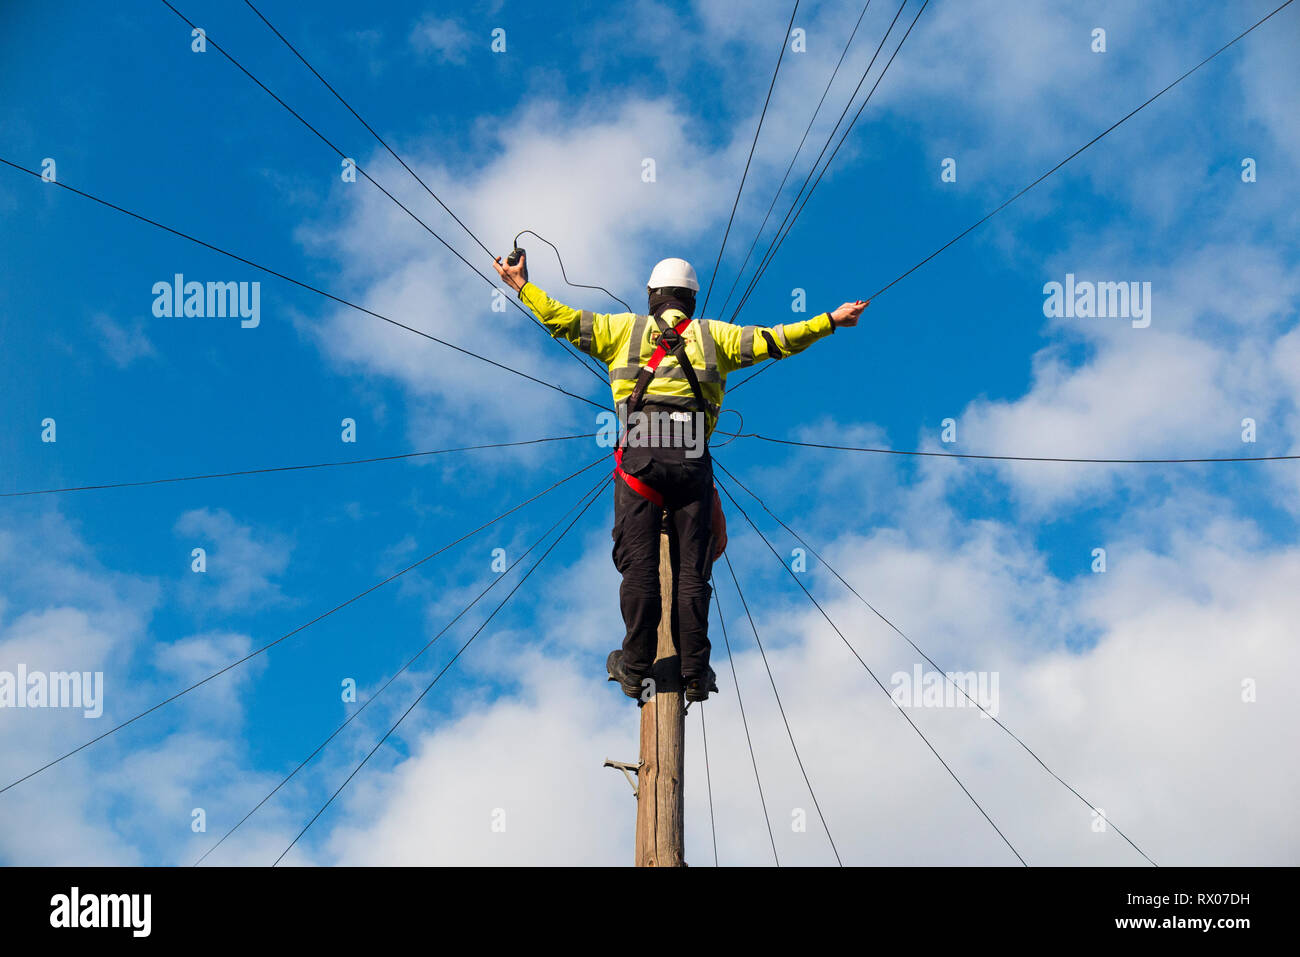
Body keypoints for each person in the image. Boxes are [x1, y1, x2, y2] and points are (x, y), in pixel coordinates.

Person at [493, 253, 866, 702]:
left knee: (640, 567)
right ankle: (693, 671)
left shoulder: (621, 330)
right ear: (692, 300)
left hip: (641, 456)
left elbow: (562, 319)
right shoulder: (717, 336)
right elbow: (778, 339)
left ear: (651, 296)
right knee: (693, 572)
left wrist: (521, 285)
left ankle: (634, 667)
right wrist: (831, 319)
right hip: (692, 459)